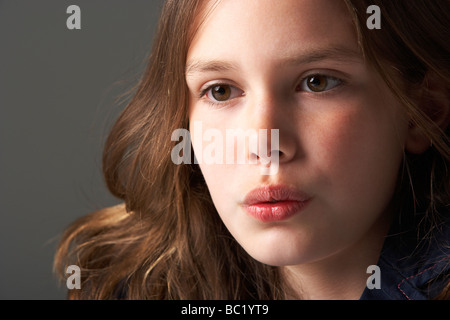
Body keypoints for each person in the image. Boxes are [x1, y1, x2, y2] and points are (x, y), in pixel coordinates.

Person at [54, 0, 450, 300]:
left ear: (424, 112)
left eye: (317, 82)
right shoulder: (132, 285)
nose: (264, 143)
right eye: (221, 90)